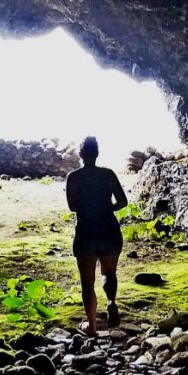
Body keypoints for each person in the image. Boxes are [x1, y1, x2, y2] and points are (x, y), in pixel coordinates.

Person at [65, 136, 128, 336]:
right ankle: (111, 302)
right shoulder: (108, 175)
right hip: (108, 229)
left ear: (81, 154)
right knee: (109, 273)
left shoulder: (73, 177)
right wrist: (106, 207)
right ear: (97, 153)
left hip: (86, 232)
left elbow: (72, 207)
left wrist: (87, 206)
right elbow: (123, 202)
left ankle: (91, 326)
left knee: (87, 282)